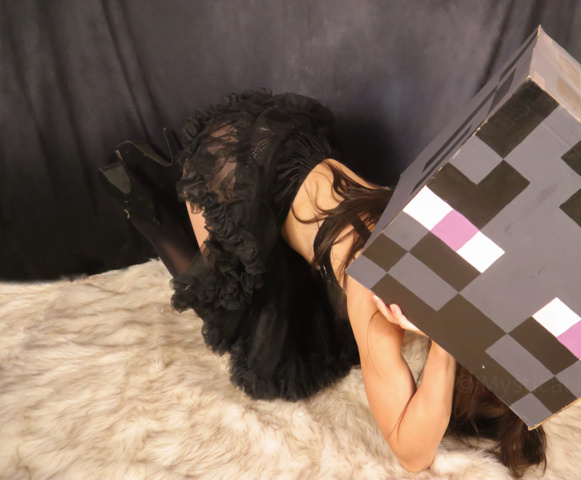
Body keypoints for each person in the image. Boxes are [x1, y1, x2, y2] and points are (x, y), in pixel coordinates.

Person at [98, 88, 546, 476]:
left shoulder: (456, 248)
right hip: (230, 166)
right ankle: (149, 205)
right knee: (232, 312)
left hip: (283, 141)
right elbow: (413, 455)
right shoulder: (377, 291)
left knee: (311, 315)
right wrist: (447, 349)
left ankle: (181, 179)